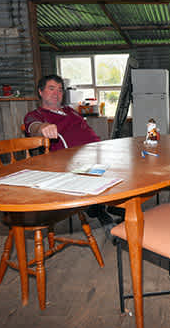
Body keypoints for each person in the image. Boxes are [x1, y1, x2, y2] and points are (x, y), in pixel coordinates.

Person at [24, 74, 116, 228]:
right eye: (51, 88)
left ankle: (117, 204)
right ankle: (100, 211)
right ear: (40, 92)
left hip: (98, 153)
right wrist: (42, 127)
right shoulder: (36, 115)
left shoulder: (70, 111)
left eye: (60, 90)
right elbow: (32, 127)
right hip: (72, 165)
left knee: (129, 163)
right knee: (102, 174)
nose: (56, 93)